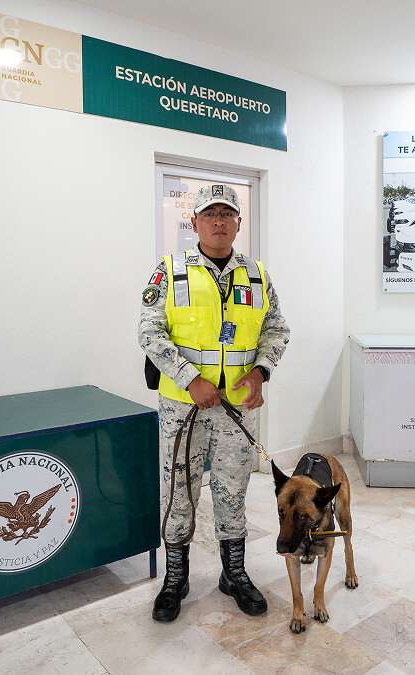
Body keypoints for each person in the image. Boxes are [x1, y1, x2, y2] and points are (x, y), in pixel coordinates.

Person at [138, 184, 290, 622]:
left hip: (237, 409)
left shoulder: (257, 275)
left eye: (227, 214)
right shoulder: (169, 271)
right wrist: (189, 380)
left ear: (239, 223)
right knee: (179, 492)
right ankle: (175, 577)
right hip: (182, 409)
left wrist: (261, 371)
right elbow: (149, 334)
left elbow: (276, 331)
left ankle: (234, 574)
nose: (219, 221)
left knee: (232, 490)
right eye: (210, 214)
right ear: (195, 223)